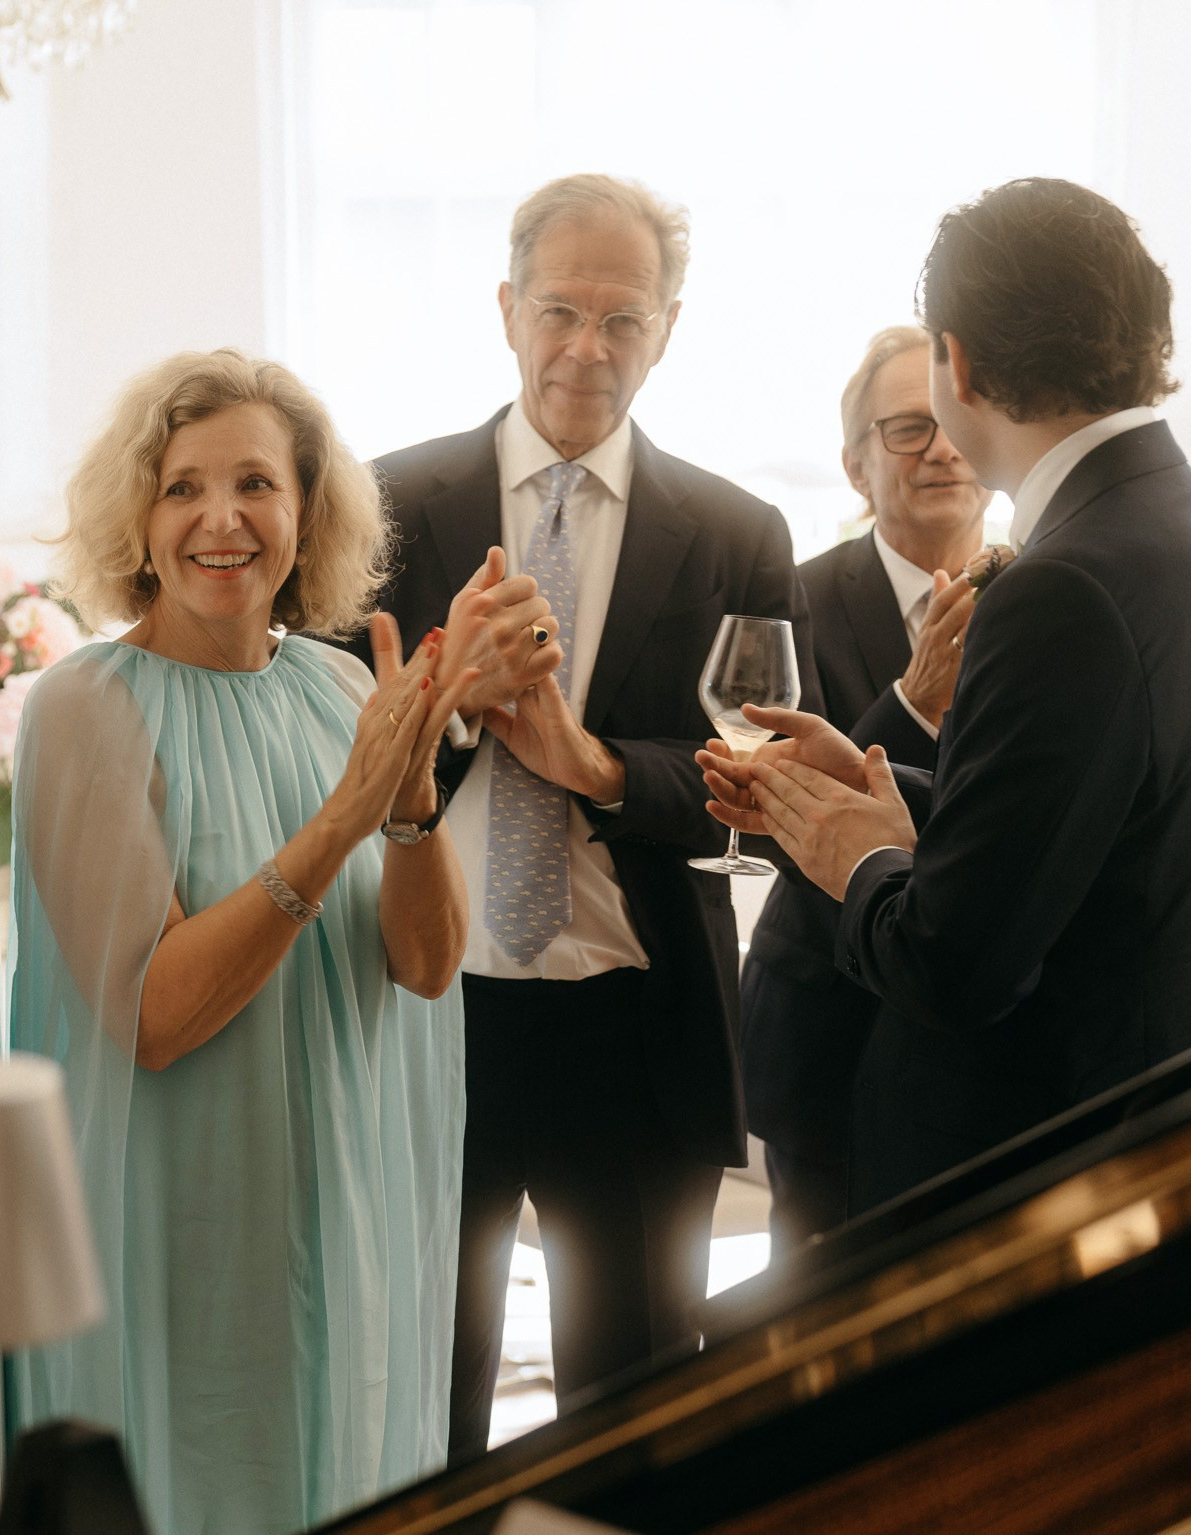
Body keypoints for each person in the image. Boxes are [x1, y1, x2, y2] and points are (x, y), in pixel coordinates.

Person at [702, 178, 1191, 1211]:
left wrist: (855, 853)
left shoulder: (1061, 582)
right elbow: (1100, 831)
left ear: (957, 363)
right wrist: (897, 790)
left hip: (1042, 1174)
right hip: (1165, 1128)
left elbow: (954, 966)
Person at [360, 172, 814, 1460]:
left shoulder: (736, 529)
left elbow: (774, 793)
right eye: (560, 309)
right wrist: (448, 711)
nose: (586, 348)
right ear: (506, 309)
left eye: (623, 319)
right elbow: (330, 752)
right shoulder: (386, 507)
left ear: (669, 326)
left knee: (635, 1415)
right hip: (429, 1009)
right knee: (422, 1391)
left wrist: (594, 762)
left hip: (636, 1022)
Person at [6, 348, 477, 1534]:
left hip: (341, 1204)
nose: (222, 519)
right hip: (186, 1222)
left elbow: (424, 967)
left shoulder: (336, 691)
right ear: (139, 518)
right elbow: (154, 1017)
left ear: (305, 512)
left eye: (256, 484)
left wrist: (413, 802)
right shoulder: (85, 708)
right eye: (182, 488)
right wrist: (340, 820)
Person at [739, 325, 989, 1251]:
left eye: (956, 421)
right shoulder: (791, 596)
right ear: (854, 464)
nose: (943, 449)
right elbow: (769, 814)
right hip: (825, 1035)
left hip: (974, 1041)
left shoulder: (1044, 598)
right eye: (907, 429)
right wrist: (910, 705)